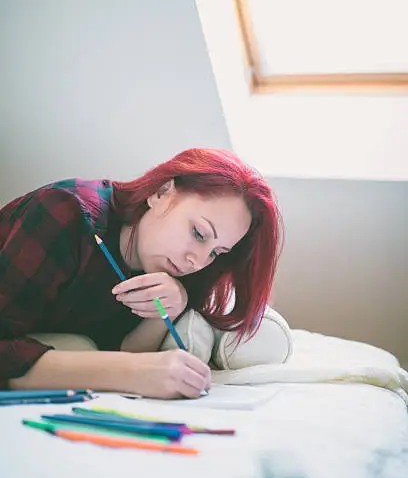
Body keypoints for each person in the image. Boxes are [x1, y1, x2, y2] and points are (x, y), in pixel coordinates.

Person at [0, 148, 283, 398]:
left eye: (216, 252)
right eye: (199, 233)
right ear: (161, 193)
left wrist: (173, 309)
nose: (196, 261)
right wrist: (132, 373)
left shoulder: (186, 271)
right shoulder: (67, 214)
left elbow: (125, 350)